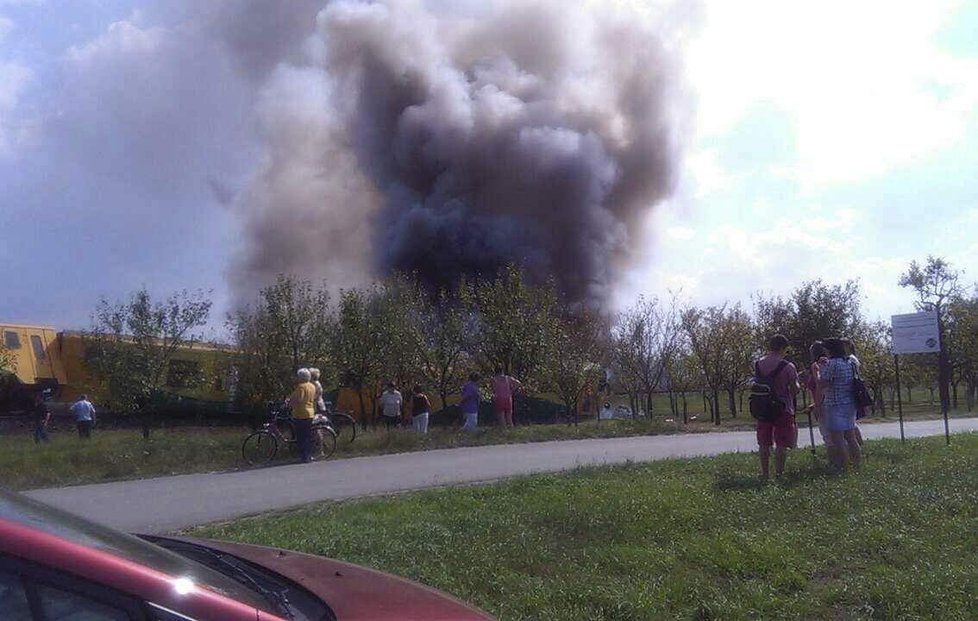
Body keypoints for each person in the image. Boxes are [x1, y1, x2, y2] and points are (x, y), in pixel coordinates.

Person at [754, 335, 800, 480]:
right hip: (782, 407)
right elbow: (794, 389)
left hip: (762, 407)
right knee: (781, 442)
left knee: (764, 442)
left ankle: (765, 473)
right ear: (782, 348)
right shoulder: (788, 366)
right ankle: (779, 474)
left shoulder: (758, 364)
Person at [819, 337, 862, 471]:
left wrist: (819, 370)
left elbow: (823, 383)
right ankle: (856, 464)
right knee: (851, 436)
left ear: (830, 349)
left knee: (837, 438)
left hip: (835, 404)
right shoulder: (850, 362)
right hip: (849, 402)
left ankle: (843, 466)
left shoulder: (831, 364)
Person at [286, 368, 317, 463]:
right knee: (307, 435)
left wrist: (289, 404)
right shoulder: (312, 386)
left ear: (301, 377)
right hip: (310, 412)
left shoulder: (301, 387)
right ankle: (308, 455)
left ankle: (304, 456)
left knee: (301, 436)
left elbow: (298, 399)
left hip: (301, 413)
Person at [807, 341, 831, 449]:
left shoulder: (816, 366)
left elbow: (819, 386)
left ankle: (834, 460)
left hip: (822, 402)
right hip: (831, 400)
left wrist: (817, 405)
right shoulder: (829, 364)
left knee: (827, 435)